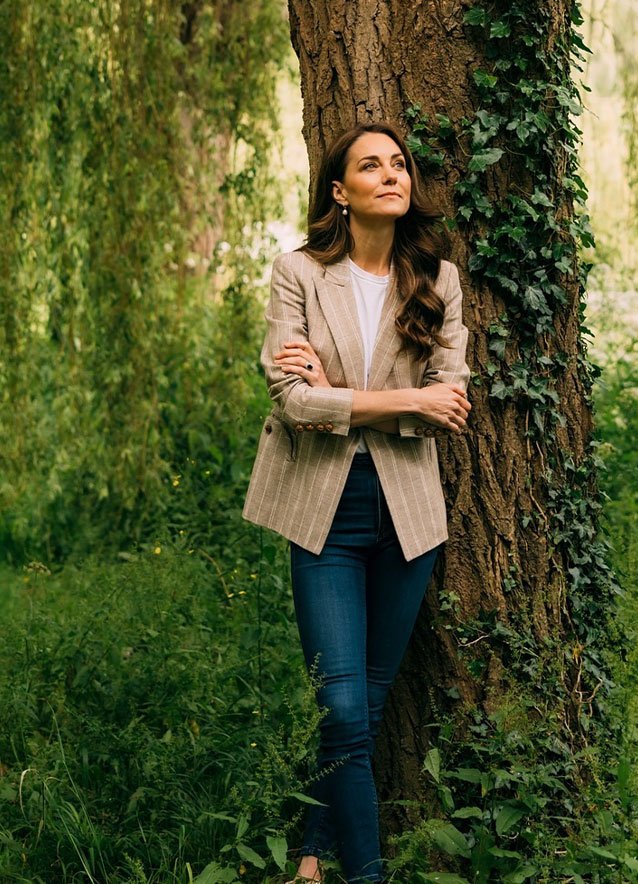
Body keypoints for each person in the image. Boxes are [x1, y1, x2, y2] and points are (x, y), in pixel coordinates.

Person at [242, 121, 472, 884]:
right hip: (324, 507)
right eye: (369, 166)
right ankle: (367, 876)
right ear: (340, 193)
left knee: (365, 705)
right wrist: (405, 400)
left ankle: (313, 851)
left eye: (398, 163)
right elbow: (294, 404)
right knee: (340, 707)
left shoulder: (439, 280)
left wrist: (340, 394)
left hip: (408, 511)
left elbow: (453, 401)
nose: (390, 174)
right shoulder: (297, 274)